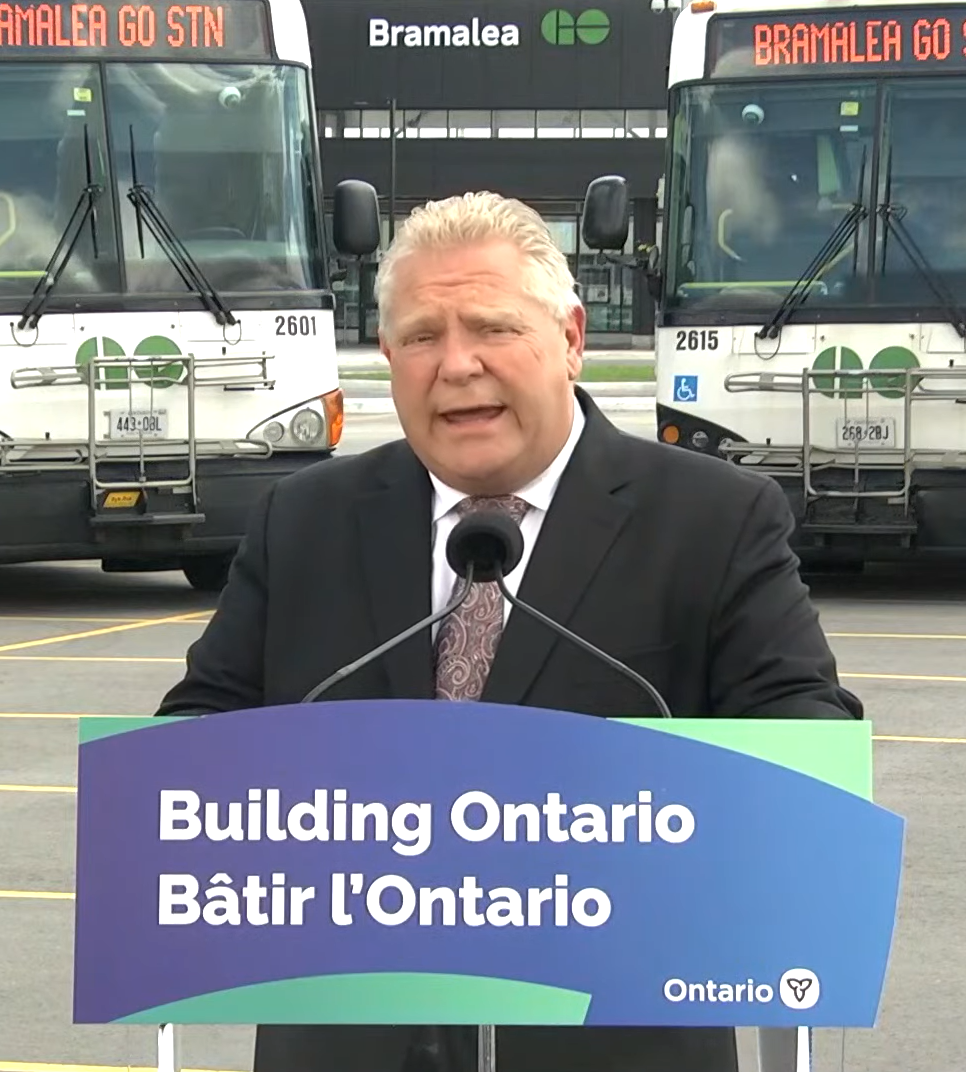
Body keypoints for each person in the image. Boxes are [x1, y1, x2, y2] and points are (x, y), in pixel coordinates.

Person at [156, 191, 863, 1072]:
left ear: (570, 338)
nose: (456, 366)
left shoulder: (714, 520)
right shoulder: (303, 520)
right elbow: (190, 748)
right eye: (421, 336)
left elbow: (801, 739)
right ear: (386, 356)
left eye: (490, 327)